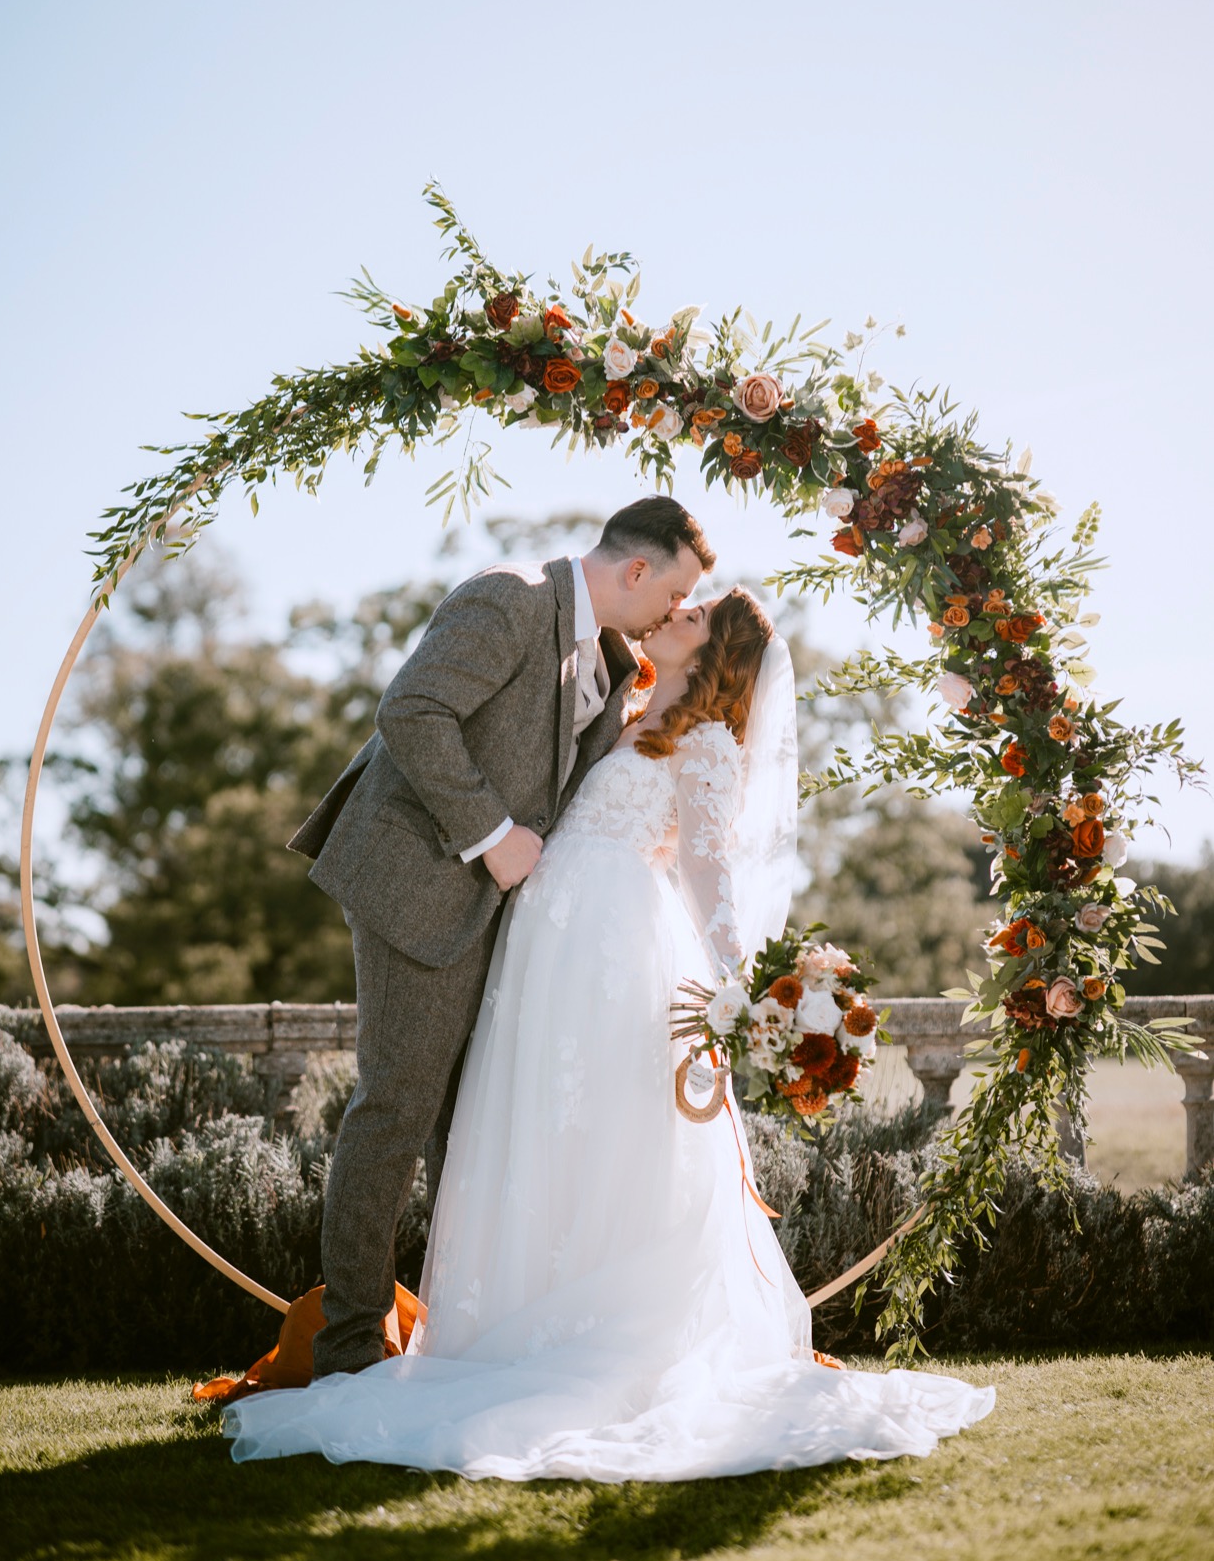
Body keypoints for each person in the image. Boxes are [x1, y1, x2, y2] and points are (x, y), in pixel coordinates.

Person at [227, 583, 996, 1478]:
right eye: (682, 600)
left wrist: (740, 985)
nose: (678, 612)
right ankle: (509, 1325)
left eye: (697, 614)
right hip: (541, 943)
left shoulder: (706, 743)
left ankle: (599, 1339)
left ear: (717, 657)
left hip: (615, 942)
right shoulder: (621, 709)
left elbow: (709, 870)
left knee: (610, 1128)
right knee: (533, 1125)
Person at [286, 496, 714, 1378]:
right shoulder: (511, 597)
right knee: (396, 1106)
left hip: (503, 917)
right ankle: (350, 1345)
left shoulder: (609, 654)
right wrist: (491, 833)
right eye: (672, 592)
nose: (674, 612)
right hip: (417, 881)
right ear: (636, 571)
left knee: (467, 1122)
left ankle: (461, 1334)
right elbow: (411, 711)